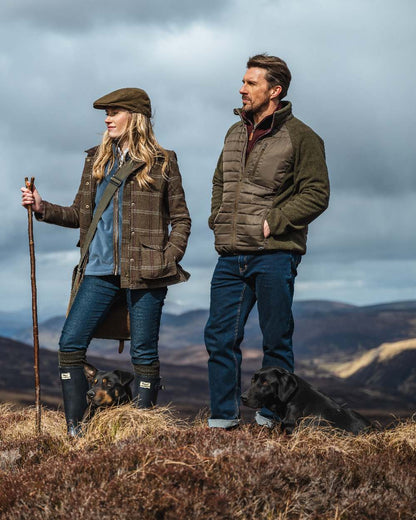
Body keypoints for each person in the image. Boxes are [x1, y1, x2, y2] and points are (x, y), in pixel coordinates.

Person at [21, 88, 191, 436]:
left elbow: (182, 219)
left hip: (147, 272)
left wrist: (167, 258)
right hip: (97, 271)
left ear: (136, 116)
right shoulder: (95, 160)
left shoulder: (163, 161)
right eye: (106, 113)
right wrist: (42, 208)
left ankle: (138, 429)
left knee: (143, 353)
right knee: (69, 345)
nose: (107, 118)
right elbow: (80, 215)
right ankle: (77, 430)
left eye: (115, 112)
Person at [204, 54, 330, 429]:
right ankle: (223, 421)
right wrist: (217, 219)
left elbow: (316, 193)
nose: (242, 89)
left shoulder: (302, 137)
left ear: (274, 90)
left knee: (276, 341)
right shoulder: (234, 132)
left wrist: (273, 221)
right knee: (219, 338)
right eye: (242, 82)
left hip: (274, 253)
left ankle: (273, 419)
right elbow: (219, 182)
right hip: (230, 255)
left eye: (250, 83)